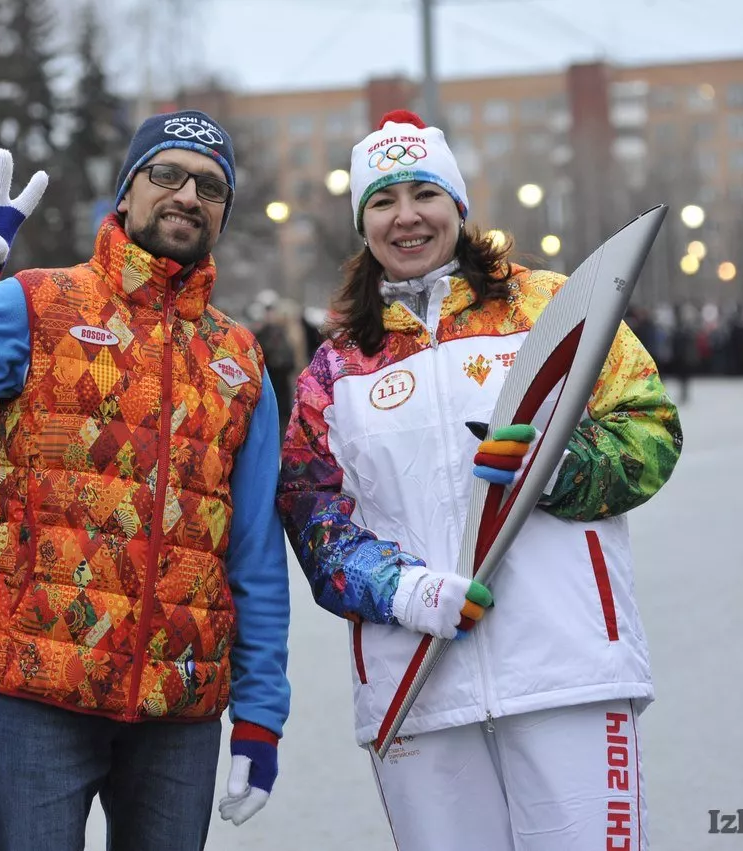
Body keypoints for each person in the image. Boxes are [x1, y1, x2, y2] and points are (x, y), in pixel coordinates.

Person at [0, 109, 290, 851]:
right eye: (167, 174)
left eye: (211, 186)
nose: (188, 194)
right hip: (36, 695)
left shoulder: (239, 359)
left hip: (176, 710)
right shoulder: (35, 304)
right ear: (126, 194)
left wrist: (260, 714)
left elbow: (252, 555)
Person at [276, 110, 683, 851]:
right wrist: (405, 591)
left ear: (458, 206)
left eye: (424, 194)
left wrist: (556, 466)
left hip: (567, 668)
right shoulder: (336, 366)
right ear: (362, 223)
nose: (407, 217)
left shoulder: (553, 307)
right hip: (417, 681)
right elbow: (311, 514)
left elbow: (651, 431)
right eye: (383, 201)